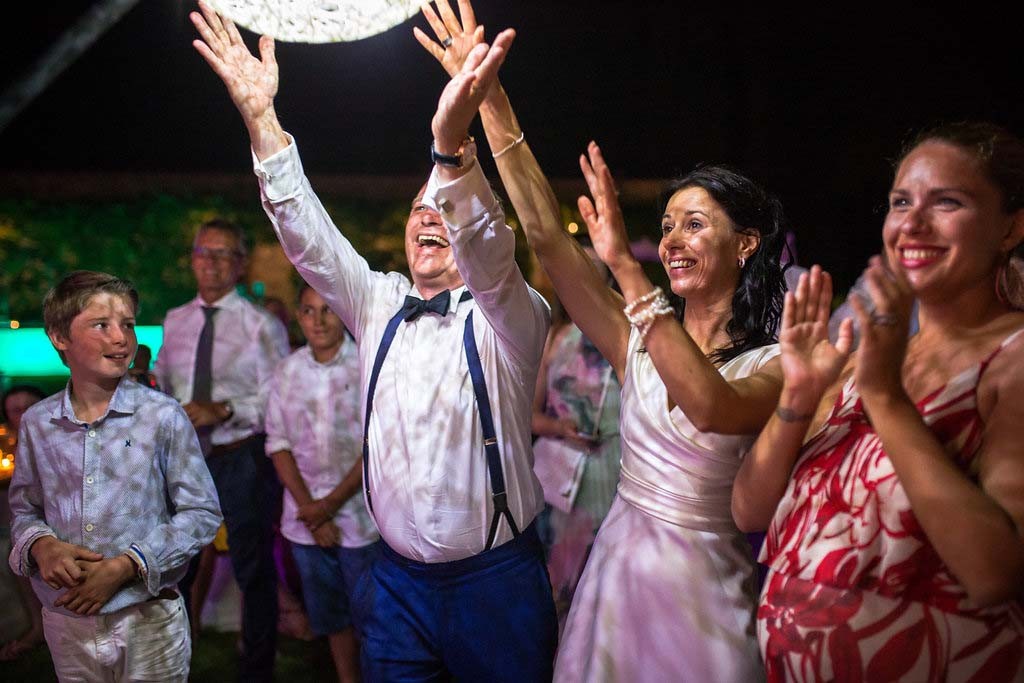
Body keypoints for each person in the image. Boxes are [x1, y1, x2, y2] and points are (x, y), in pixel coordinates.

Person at [415, 4, 786, 680]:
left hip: (704, 593)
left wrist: (624, 264)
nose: (672, 239)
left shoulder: (777, 362)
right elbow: (548, 239)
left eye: (694, 224)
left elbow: (709, 406)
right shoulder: (637, 335)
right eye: (667, 225)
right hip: (616, 575)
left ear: (747, 243)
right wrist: (492, 99)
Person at [190, 2, 556, 679]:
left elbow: (491, 247)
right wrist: (261, 119)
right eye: (421, 209)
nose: (431, 216)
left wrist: (451, 152)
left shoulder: (510, 311)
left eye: (443, 208)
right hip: (393, 582)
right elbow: (306, 234)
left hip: (495, 580)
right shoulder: (377, 300)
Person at [733, 122, 1024, 681]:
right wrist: (797, 394)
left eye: (947, 202)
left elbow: (993, 574)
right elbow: (749, 509)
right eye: (900, 202)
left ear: (1010, 227)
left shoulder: (1010, 358)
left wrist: (886, 397)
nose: (912, 223)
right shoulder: (863, 354)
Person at [7, 270, 222, 682]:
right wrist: (43, 547)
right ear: (59, 337)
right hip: (67, 619)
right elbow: (23, 507)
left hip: (148, 619)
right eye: (101, 325)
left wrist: (128, 565)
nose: (121, 338)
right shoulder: (38, 422)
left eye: (127, 324)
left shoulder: (162, 416)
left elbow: (201, 512)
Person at [152, 217, 289, 680]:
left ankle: (256, 669)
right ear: (192, 259)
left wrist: (224, 409)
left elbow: (278, 397)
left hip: (241, 456)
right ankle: (173, 664)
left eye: (222, 253)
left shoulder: (261, 325)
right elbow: (166, 382)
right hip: (186, 460)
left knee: (253, 571)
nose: (210, 262)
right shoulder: (175, 320)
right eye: (202, 252)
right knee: (178, 568)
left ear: (240, 263)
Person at [264, 284, 379, 683]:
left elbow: (374, 446)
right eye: (309, 312)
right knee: (330, 614)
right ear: (299, 316)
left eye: (327, 310)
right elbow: (278, 444)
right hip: (305, 520)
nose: (319, 321)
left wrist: (328, 506)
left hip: (360, 518)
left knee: (371, 612)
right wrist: (312, 511)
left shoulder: (365, 366)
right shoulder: (288, 370)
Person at [531, 292, 622, 626]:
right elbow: (528, 416)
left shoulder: (622, 333)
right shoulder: (554, 335)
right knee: (552, 590)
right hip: (558, 479)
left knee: (601, 592)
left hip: (613, 475)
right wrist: (559, 426)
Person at [0, 384, 47, 661]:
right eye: (15, 411)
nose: (22, 415)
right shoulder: (8, 447)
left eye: (28, 407)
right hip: (14, 521)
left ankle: (39, 625)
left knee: (17, 549)